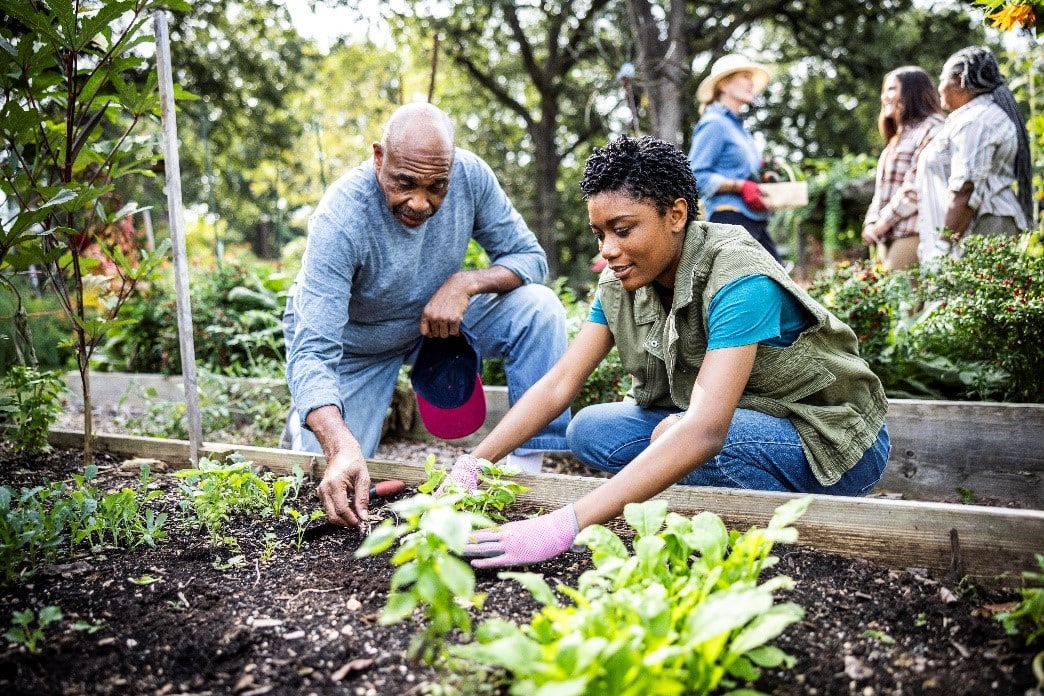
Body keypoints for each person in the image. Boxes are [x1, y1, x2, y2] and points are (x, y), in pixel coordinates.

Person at [445, 135, 890, 569]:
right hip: (739, 420)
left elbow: (704, 432)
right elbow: (561, 383)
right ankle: (706, 495)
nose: (608, 251)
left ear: (676, 214)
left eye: (623, 230)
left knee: (684, 438)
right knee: (590, 430)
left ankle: (784, 537)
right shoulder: (622, 282)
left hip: (831, 442)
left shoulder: (738, 275)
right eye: (599, 234)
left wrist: (566, 523)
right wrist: (474, 464)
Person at [283, 103, 570, 528]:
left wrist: (465, 283)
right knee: (322, 487)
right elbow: (311, 352)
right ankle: (304, 428)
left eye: (438, 186)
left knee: (539, 308)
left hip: (436, 326)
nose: (420, 202)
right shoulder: (341, 218)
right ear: (379, 158)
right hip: (356, 346)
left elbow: (529, 257)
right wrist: (339, 444)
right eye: (405, 183)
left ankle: (525, 472)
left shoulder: (471, 176)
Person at [917, 46, 1032, 261]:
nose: (939, 88)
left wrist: (943, 246)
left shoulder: (976, 121)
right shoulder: (982, 115)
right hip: (985, 226)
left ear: (959, 81)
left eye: (942, 79)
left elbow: (966, 188)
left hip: (983, 228)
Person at [687, 53, 782, 263]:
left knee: (779, 283)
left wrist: (765, 173)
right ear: (724, 85)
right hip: (729, 220)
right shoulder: (714, 123)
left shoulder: (739, 129)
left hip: (753, 221)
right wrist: (739, 186)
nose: (751, 84)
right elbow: (694, 177)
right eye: (745, 77)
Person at [861, 67, 945, 271]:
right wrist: (871, 222)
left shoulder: (932, 128)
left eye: (891, 89)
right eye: (885, 90)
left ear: (912, 92)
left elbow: (916, 187)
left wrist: (882, 223)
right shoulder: (897, 138)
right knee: (890, 299)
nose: (885, 97)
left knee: (904, 301)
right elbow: (882, 192)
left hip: (913, 231)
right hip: (888, 234)